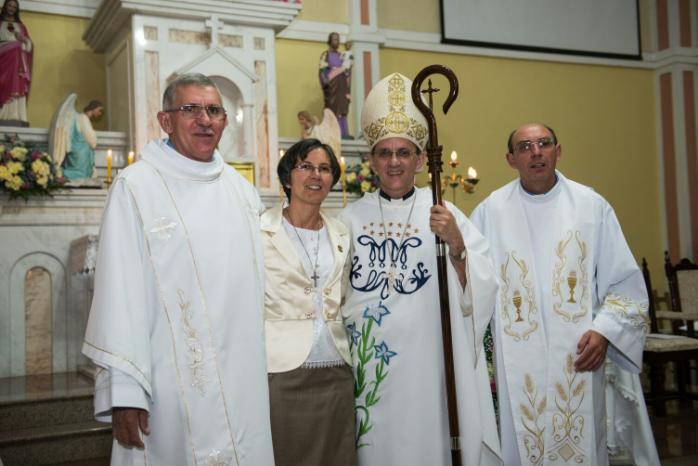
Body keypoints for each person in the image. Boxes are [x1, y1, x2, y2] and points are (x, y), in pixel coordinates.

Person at [82, 73, 274, 465]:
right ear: (166, 120)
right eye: (190, 109)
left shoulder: (241, 192)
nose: (205, 119)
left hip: (242, 377)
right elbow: (118, 294)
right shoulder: (136, 188)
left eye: (214, 110)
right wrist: (124, 393)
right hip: (167, 385)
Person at [339, 72, 502, 466]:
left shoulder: (445, 213)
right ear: (372, 160)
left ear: (418, 159)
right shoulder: (347, 220)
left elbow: (482, 288)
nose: (394, 162)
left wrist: (458, 246)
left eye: (404, 152)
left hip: (430, 365)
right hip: (370, 365)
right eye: (384, 152)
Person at [470, 123, 651, 465]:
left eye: (544, 143)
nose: (536, 152)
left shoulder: (592, 207)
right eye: (525, 147)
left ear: (558, 150)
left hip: (580, 353)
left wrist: (605, 332)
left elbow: (624, 284)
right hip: (516, 362)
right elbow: (471, 285)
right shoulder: (489, 212)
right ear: (511, 159)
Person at [262, 138, 356, 466]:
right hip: (282, 372)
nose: (315, 175)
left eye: (324, 168)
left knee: (339, 456)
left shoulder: (342, 233)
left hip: (337, 369)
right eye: (305, 166)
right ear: (288, 177)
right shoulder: (260, 231)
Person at [0, 0, 32, 125]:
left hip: (17, 62)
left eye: (14, 6)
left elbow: (28, 47)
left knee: (16, 85)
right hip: (2, 60)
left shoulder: (21, 26)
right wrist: (10, 46)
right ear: (4, 6)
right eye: (9, 5)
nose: (12, 8)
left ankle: (15, 115)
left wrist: (22, 39)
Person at [319, 32, 351, 139]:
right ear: (330, 41)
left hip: (341, 86)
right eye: (335, 39)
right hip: (332, 87)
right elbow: (322, 70)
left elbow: (347, 70)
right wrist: (326, 82)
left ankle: (343, 132)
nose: (337, 41)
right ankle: (332, 131)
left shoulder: (341, 56)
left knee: (342, 109)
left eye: (338, 39)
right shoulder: (325, 55)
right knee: (332, 109)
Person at [62, 100, 103, 180]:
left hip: (78, 151)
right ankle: (60, 173)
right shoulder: (83, 118)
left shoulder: (80, 117)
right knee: (81, 174)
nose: (100, 113)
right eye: (99, 110)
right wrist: (94, 137)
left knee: (82, 175)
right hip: (80, 154)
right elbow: (92, 140)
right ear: (94, 108)